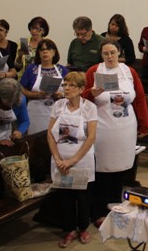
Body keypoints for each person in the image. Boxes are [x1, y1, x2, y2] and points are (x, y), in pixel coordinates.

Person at [83, 40, 148, 227]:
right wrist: (91, 93)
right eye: (106, 53)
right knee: (102, 170)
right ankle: (98, 210)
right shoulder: (93, 71)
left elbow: (140, 98)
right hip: (103, 129)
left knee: (121, 168)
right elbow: (82, 99)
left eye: (113, 52)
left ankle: (115, 204)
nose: (110, 56)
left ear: (119, 53)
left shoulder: (129, 72)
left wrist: (144, 123)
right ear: (101, 55)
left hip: (125, 128)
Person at [47, 71, 97, 247]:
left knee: (83, 197)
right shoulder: (58, 105)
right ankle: (69, 230)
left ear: (81, 89)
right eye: (65, 85)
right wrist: (58, 158)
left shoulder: (90, 107)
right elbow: (50, 134)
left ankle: (83, 228)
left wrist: (73, 160)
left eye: (71, 85)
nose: (66, 88)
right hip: (61, 160)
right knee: (65, 196)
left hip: (81, 160)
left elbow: (91, 137)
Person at [20, 39, 69, 134]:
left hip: (58, 112)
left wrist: (62, 94)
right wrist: (34, 95)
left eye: (48, 49)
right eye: (42, 50)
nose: (45, 52)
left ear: (54, 52)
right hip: (36, 113)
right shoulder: (31, 69)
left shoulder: (62, 70)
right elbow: (22, 88)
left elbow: (72, 89)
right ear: (38, 53)